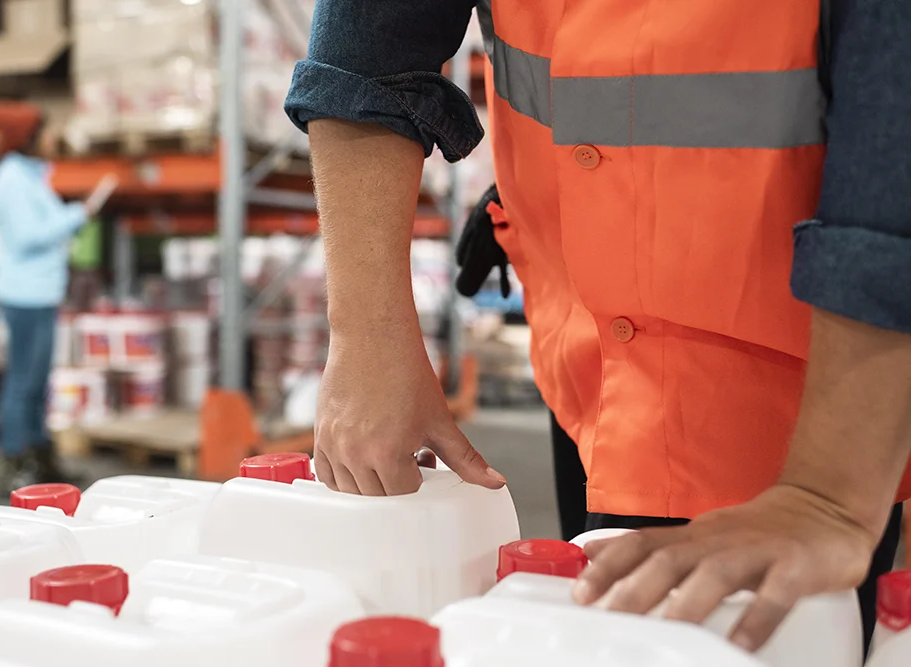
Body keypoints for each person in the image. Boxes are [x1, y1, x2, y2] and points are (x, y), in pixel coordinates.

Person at [284, 0, 911, 654]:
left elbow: (894, 141)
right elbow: (373, 39)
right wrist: (366, 335)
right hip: (586, 354)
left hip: (800, 404)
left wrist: (830, 494)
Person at [0, 102, 89, 497]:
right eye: (44, 131)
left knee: (37, 382)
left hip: (40, 293)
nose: (51, 139)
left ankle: (40, 458)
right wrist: (74, 216)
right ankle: (12, 462)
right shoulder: (11, 179)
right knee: (22, 381)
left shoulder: (31, 176)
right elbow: (28, 236)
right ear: (27, 138)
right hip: (23, 296)